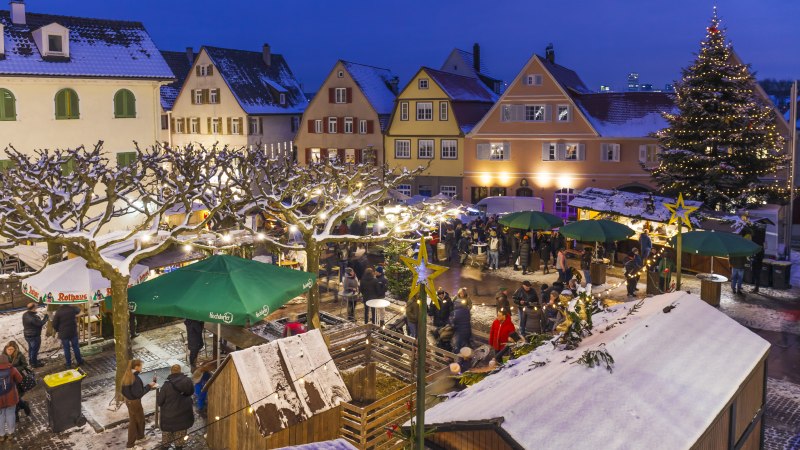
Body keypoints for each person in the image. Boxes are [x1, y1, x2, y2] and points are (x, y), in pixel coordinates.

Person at [121, 359, 157, 449]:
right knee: (134, 422)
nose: (142, 367)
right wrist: (149, 386)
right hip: (134, 403)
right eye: (141, 366)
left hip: (129, 401)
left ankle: (140, 437)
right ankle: (130, 444)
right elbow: (139, 394)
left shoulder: (128, 375)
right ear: (136, 367)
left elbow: (124, 390)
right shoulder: (135, 378)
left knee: (139, 419)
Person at [157, 365, 194, 450]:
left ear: (171, 372)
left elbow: (160, 402)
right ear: (180, 371)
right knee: (179, 443)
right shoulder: (188, 381)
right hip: (183, 416)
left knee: (165, 443)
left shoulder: (166, 385)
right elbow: (191, 392)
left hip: (168, 418)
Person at [52, 303, 84, 369]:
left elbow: (54, 324)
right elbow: (82, 312)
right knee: (76, 347)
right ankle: (79, 361)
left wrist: (58, 330)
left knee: (66, 349)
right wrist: (75, 316)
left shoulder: (59, 311)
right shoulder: (72, 308)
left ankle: (68, 364)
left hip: (64, 333)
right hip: (73, 332)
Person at [4, 342, 30, 420]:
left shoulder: (19, 355)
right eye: (8, 349)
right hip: (7, 380)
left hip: (17, 379)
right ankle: (23, 407)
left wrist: (14, 370)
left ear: (15, 349)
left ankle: (20, 411)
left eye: (12, 349)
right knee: (13, 398)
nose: (9, 351)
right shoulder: (3, 356)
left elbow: (25, 365)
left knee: (16, 397)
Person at [0, 353, 23, 443]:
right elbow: (20, 379)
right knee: (10, 415)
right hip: (11, 397)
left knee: (0, 416)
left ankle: (1, 435)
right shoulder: (12, 369)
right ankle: (10, 433)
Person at [22, 302, 48, 368]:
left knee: (31, 348)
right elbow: (41, 323)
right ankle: (34, 364)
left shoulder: (25, 314)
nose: (37, 306)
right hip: (34, 336)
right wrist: (46, 316)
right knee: (35, 349)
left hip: (27, 335)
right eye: (36, 306)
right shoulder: (32, 318)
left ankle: (31, 361)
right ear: (33, 308)